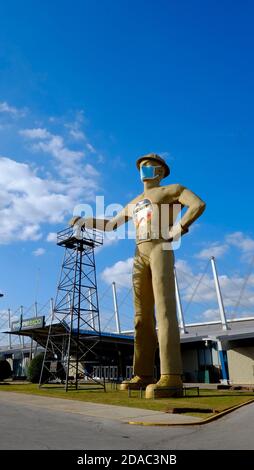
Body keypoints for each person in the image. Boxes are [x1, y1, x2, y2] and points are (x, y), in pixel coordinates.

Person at [69, 153, 206, 398]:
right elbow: (111, 224)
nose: (144, 169)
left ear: (161, 171)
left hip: (160, 248)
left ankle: (171, 376)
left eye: (149, 165)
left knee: (164, 310)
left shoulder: (172, 190)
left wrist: (180, 227)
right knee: (141, 317)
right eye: (142, 166)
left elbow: (197, 204)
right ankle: (143, 374)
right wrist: (85, 220)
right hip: (139, 254)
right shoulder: (134, 203)